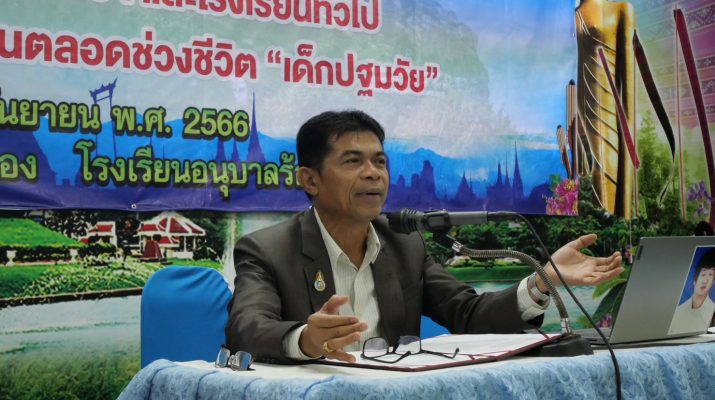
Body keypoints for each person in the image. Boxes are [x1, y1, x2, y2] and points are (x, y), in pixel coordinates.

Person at [225, 110, 623, 363]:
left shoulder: (403, 243)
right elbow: (246, 328)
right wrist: (305, 339)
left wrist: (542, 281)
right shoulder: (266, 249)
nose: (373, 173)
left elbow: (468, 314)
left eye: (379, 161)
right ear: (309, 180)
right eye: (353, 161)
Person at [671, 249, 715, 330]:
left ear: (713, 282)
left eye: (710, 275)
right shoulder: (679, 310)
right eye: (703, 274)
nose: (705, 281)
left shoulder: (711, 309)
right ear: (695, 280)